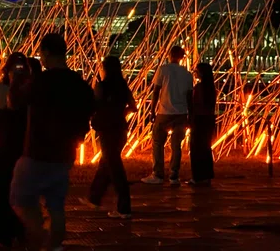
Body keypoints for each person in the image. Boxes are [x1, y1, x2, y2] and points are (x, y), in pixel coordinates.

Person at [9, 33, 94, 251]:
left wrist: (17, 78)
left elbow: (14, 102)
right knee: (56, 207)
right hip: (64, 155)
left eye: (41, 53)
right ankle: (54, 246)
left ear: (46, 52)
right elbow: (90, 109)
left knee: (20, 201)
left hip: (37, 152)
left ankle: (39, 238)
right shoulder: (78, 83)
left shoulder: (41, 82)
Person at [0, 52, 29, 248]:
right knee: (14, 188)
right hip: (15, 144)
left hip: (5, 143)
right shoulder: (28, 92)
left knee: (1, 188)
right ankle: (15, 232)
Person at [85, 56, 135, 218]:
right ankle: (94, 198)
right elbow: (133, 107)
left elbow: (94, 105)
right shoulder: (123, 86)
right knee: (106, 162)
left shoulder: (102, 86)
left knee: (114, 167)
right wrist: (120, 112)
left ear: (105, 68)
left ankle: (124, 207)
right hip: (120, 129)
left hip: (107, 130)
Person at [142, 45, 193, 186]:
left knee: (158, 143)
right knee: (176, 145)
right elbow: (189, 97)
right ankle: (173, 176)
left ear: (170, 54)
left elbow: (156, 91)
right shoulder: (187, 74)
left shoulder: (163, 70)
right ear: (182, 57)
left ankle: (158, 174)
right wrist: (190, 116)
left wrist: (152, 111)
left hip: (164, 112)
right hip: (181, 113)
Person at [186, 62, 216, 186]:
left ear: (201, 73)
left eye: (196, 71)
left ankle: (197, 177)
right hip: (209, 119)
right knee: (206, 148)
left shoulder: (199, 88)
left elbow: (195, 104)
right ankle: (207, 176)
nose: (194, 73)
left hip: (199, 119)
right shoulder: (211, 88)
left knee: (196, 148)